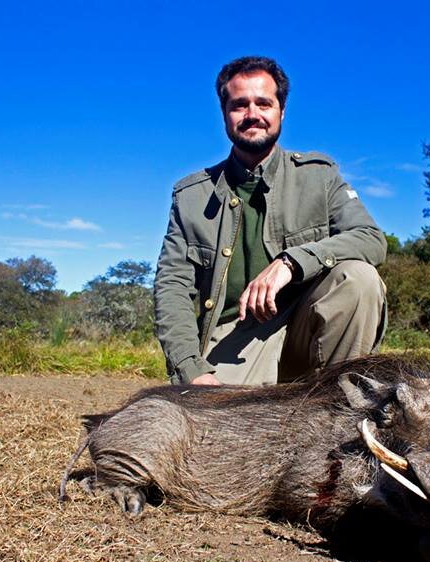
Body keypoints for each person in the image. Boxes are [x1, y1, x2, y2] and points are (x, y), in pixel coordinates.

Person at [153, 56, 387, 386]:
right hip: (237, 336)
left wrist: (291, 263)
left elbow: (370, 239)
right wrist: (191, 367)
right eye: (239, 105)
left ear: (281, 111)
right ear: (224, 114)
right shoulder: (190, 195)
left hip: (308, 329)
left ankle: (340, 405)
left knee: (359, 278)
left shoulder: (319, 176)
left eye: (264, 103)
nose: (253, 115)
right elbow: (172, 286)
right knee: (215, 427)